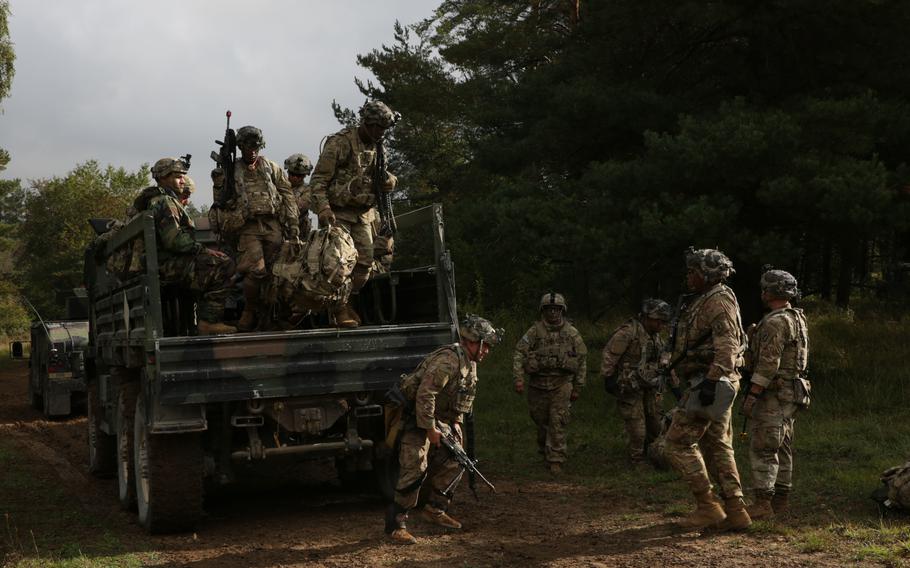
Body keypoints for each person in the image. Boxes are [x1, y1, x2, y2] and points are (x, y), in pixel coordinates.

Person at [385, 315, 503, 545]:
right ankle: (395, 524)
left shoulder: (470, 363)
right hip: (416, 417)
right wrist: (430, 430)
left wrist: (455, 423)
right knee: (415, 468)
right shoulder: (448, 361)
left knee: (456, 460)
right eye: (485, 345)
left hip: (440, 419)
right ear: (472, 341)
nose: (487, 350)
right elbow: (425, 395)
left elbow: (460, 397)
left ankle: (435, 509)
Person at [663, 247, 751, 531]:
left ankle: (707, 505)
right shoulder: (710, 298)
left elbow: (727, 345)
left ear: (708, 274)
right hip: (714, 381)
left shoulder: (718, 301)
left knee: (676, 442)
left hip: (709, 381)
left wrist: (711, 382)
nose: (689, 276)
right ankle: (736, 511)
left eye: (693, 272)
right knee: (717, 445)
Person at [309, 100, 399, 327]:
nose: (380, 133)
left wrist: (390, 181)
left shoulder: (379, 147)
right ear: (366, 123)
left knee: (365, 263)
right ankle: (339, 311)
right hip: (338, 214)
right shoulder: (340, 143)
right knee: (340, 264)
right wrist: (324, 209)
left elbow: (381, 175)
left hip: (364, 215)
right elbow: (318, 181)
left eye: (383, 129)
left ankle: (346, 303)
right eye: (377, 127)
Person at [741, 269, 810, 520]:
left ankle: (763, 503)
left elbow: (769, 363)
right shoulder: (797, 317)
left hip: (775, 394)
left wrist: (753, 393)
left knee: (764, 446)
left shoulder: (774, 321)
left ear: (769, 292)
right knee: (783, 446)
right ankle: (781, 500)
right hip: (791, 393)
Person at [139, 158, 236, 335]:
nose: (182, 180)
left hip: (162, 263)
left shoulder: (158, 199)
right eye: (177, 177)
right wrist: (202, 249)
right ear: (162, 178)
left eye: (183, 176)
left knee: (212, 262)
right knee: (223, 264)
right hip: (166, 265)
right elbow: (174, 240)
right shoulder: (165, 202)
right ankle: (208, 322)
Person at [226, 126, 300, 331]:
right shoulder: (231, 169)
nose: (253, 151)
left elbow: (287, 195)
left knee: (276, 273)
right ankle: (249, 310)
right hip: (248, 226)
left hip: (273, 225)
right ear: (240, 147)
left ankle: (270, 315)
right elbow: (222, 201)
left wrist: (293, 224)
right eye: (249, 146)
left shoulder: (271, 167)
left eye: (256, 146)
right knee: (257, 271)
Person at [512, 293, 587, 474]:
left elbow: (582, 359)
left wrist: (578, 386)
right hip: (538, 385)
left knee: (557, 421)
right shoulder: (534, 332)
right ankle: (545, 450)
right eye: (549, 309)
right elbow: (519, 352)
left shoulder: (571, 333)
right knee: (541, 421)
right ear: (543, 311)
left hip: (561, 384)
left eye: (556, 309)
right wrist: (519, 378)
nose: (553, 313)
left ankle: (556, 459)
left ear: (562, 311)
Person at [601, 298, 671, 464]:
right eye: (658, 321)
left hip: (651, 386)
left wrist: (673, 385)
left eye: (663, 321)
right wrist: (608, 378)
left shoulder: (656, 337)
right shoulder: (628, 333)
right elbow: (609, 355)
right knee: (637, 426)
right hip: (630, 386)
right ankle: (637, 460)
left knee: (656, 423)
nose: (661, 325)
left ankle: (654, 455)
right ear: (647, 317)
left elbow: (664, 363)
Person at [284, 153, 314, 236]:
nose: (295, 178)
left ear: (304, 175)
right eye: (292, 174)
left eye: (299, 175)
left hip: (300, 231)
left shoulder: (308, 189)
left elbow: (300, 207)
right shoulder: (280, 186)